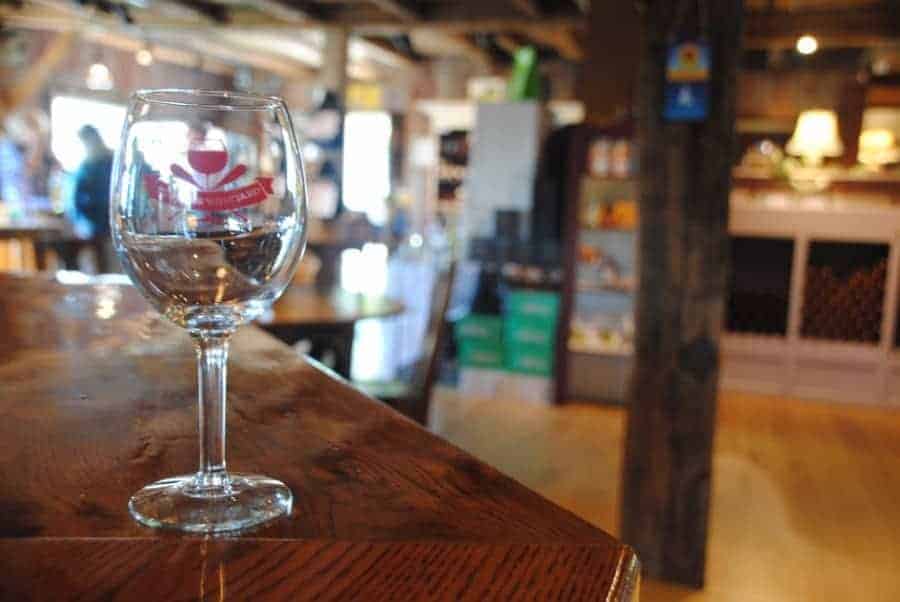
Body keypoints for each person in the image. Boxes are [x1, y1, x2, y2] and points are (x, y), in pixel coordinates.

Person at [71, 125, 116, 271]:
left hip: (108, 220)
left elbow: (77, 197)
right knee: (103, 261)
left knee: (110, 260)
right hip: (97, 222)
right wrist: (79, 220)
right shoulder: (88, 164)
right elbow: (77, 197)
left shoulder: (105, 161)